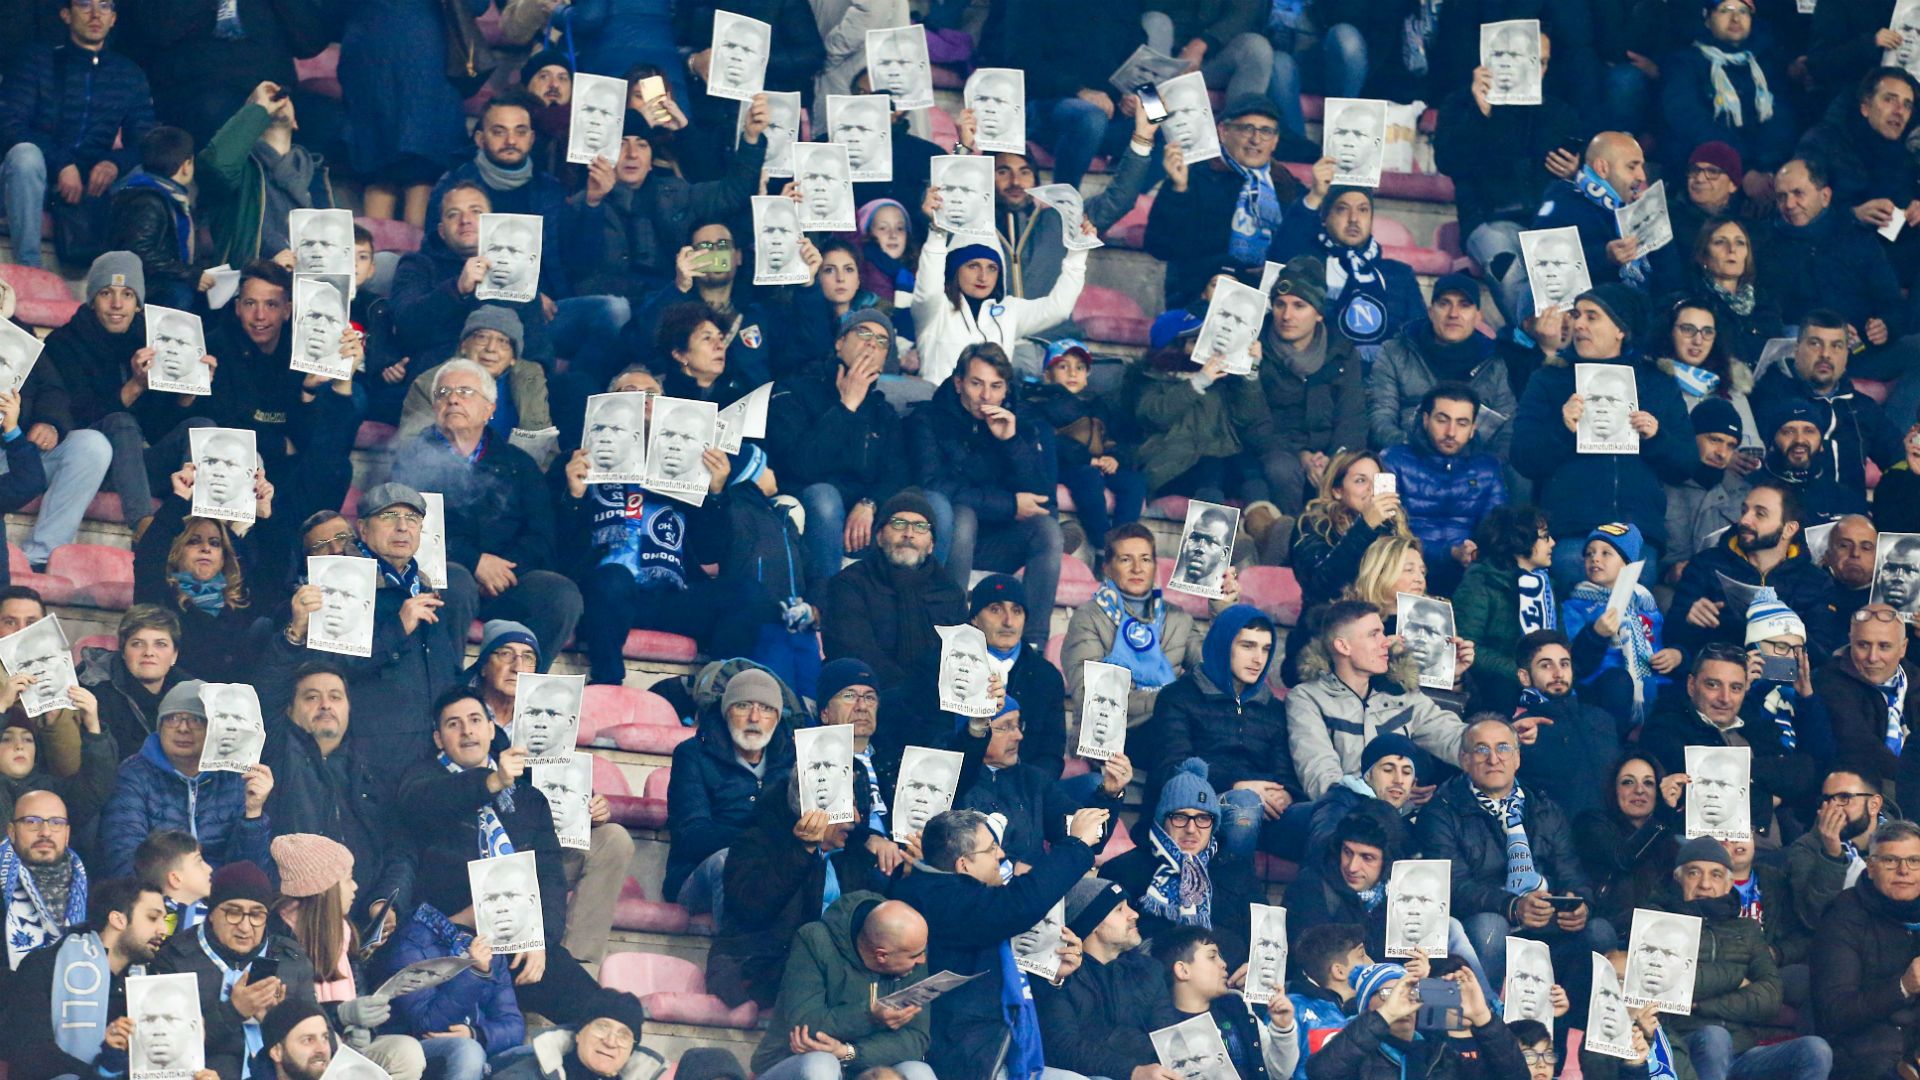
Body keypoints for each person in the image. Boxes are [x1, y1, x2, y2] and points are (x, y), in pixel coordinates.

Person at [396, 689, 622, 1027]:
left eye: (475, 721)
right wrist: (491, 782)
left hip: (517, 939)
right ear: (438, 739)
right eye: (454, 725)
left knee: (606, 1017)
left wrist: (539, 940)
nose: (467, 731)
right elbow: (428, 803)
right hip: (448, 943)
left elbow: (548, 875)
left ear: (491, 730)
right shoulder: (421, 782)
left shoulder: (529, 797)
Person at [890, 805, 1107, 1080]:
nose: (1001, 854)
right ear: (963, 865)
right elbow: (1019, 904)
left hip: (1003, 1051)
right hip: (965, 1061)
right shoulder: (938, 900)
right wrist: (1076, 846)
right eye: (991, 848)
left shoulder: (952, 893)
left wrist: (1051, 972)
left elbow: (1006, 977)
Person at [390, 359, 583, 661]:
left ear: (489, 409)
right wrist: (476, 562)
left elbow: (542, 535)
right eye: (443, 392)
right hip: (446, 576)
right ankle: (448, 689)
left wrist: (503, 571)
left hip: (509, 579)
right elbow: (407, 528)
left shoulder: (519, 463)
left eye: (465, 391)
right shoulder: (413, 459)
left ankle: (521, 689)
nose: (452, 398)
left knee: (561, 595)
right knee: (454, 581)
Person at [1511, 287, 1698, 586]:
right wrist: (1562, 429)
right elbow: (1522, 456)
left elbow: (1686, 464)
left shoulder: (1657, 383)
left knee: (1628, 627)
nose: (1579, 324)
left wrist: (1656, 437)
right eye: (1576, 315)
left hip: (1636, 534)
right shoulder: (1548, 379)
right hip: (1572, 532)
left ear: (1621, 329)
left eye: (1592, 316)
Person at [906, 344, 1061, 644]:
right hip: (949, 539)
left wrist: (1011, 442)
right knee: (963, 514)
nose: (986, 396)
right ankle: (950, 629)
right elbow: (934, 485)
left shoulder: (1023, 425)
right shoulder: (927, 419)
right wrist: (1009, 505)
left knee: (1048, 530)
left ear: (1006, 389)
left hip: (997, 542)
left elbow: (1043, 499)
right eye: (977, 384)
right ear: (959, 383)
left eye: (996, 386)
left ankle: (1033, 643)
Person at [1433, 31, 1583, 324]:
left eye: (1542, 62)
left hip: (1547, 224)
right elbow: (1449, 162)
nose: (1536, 69)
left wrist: (1574, 171)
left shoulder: (1559, 112)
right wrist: (1481, 112)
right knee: (1508, 268)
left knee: (1570, 287)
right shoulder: (1462, 104)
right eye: (1530, 60)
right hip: (1488, 219)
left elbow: (1578, 174)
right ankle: (1535, 342)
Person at [1658, 836, 1833, 1079]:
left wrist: (1700, 1004)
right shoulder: (1660, 923)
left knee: (1815, 1050)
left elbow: (1770, 997)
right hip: (1686, 1048)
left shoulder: (1746, 930)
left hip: (1741, 1052)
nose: (1705, 884)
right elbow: (1667, 985)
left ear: (1729, 884)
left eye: (1716, 875)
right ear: (1679, 879)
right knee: (1714, 1037)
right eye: (1694, 873)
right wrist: (1738, 979)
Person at [0, 0, 157, 268]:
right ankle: (28, 266)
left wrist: (114, 163)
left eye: (105, 6)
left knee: (145, 176)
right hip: (40, 170)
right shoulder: (38, 59)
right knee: (24, 156)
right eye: (85, 5)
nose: (95, 14)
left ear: (114, 18)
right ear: (66, 15)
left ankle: (123, 277)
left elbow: (144, 140)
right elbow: (11, 124)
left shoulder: (128, 74)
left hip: (95, 178)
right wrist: (61, 163)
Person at [261, 663, 414, 933]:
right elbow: (270, 688)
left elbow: (400, 849)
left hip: (361, 930)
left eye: (335, 697)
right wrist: (293, 637)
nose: (325, 705)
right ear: (288, 710)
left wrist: (387, 900)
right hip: (293, 929)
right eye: (311, 697)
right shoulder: (277, 758)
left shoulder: (373, 773)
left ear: (348, 708)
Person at [266, 833, 433, 1078]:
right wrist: (341, 1016)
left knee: (406, 1051)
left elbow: (358, 999)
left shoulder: (343, 931)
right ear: (324, 891)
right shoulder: (276, 941)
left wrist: (364, 1028)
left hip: (346, 1046)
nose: (355, 887)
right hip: (306, 1058)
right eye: (348, 879)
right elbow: (283, 1017)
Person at [1146, 606, 1308, 855]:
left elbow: (1284, 772)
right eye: (1247, 646)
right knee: (1244, 805)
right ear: (1223, 645)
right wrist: (1239, 785)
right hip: (1197, 810)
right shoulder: (1178, 697)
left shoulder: (1272, 707)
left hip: (1266, 812)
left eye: (1265, 649)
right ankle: (1234, 889)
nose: (1258, 659)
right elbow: (1173, 768)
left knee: (1328, 816)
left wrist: (1286, 794)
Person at [1062, 522, 1234, 737]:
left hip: (1170, 725)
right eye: (1126, 560)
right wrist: (1170, 700)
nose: (1137, 568)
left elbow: (1215, 670)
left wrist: (1223, 610)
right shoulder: (1088, 617)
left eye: (1145, 559)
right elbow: (1089, 694)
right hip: (1109, 734)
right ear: (1106, 568)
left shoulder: (1176, 617)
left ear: (1154, 566)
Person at [149, 861, 318, 1078]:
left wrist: (278, 1021)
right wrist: (234, 1011)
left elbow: (320, 1042)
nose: (245, 927)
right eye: (233, 913)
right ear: (211, 914)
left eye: (256, 915)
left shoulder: (288, 958)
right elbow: (157, 1048)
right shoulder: (174, 959)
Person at [1288, 599, 1468, 800]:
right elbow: (1320, 775)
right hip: (1342, 817)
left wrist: (1501, 740)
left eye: (1382, 633)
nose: (1386, 642)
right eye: (1374, 634)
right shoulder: (1307, 698)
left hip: (1402, 816)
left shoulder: (1401, 693)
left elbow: (1454, 738)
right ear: (1343, 646)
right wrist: (1387, 796)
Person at [97, 679, 273, 878]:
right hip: (155, 898)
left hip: (221, 901)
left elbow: (250, 872)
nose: (182, 728)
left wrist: (253, 812)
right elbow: (123, 857)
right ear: (159, 726)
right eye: (172, 719)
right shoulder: (134, 774)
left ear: (215, 729)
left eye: (196, 720)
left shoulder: (236, 778)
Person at [1144, 96, 1304, 309]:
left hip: (1269, 302)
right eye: (1247, 129)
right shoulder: (1191, 177)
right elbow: (1160, 247)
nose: (1256, 140)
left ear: (1275, 141)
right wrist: (1178, 191)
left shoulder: (1286, 185)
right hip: (1201, 297)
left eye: (1266, 131)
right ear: (1223, 132)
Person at [3, 877, 169, 1078]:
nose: (164, 930)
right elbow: (30, 1051)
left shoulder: (150, 979)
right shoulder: (45, 965)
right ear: (118, 920)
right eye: (153, 918)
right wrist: (98, 1072)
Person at [1762, 159, 1910, 384]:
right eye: (1781, 197)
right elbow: (1767, 313)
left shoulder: (1857, 239)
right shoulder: (1767, 247)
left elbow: (1893, 304)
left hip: (1864, 353)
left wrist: (1886, 326)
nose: (1789, 204)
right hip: (1803, 357)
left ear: (1825, 197)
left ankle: (1888, 419)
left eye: (1798, 193)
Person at [1641, 641, 1812, 833]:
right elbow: (1702, 800)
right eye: (1713, 685)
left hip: (1774, 853)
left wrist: (1739, 775)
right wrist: (1769, 797)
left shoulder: (1752, 726)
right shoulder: (1666, 728)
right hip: (1704, 853)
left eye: (1736, 688)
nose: (1725, 698)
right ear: (1691, 685)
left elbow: (1803, 772)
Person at [1664, 481, 1840, 663]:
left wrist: (1784, 629)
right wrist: (1688, 619)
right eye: (1744, 510)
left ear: (1789, 529)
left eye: (1760, 514)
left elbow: (1821, 653)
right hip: (1720, 680)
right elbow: (1671, 634)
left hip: (1783, 685)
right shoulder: (1706, 563)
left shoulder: (1816, 581)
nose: (1744, 520)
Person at [1096, 758, 1261, 951]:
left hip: (1230, 978)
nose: (1191, 829)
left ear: (1214, 824)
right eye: (1180, 817)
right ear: (1162, 821)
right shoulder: (1123, 870)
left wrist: (1251, 966)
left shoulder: (1237, 870)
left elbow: (1263, 938)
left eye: (1202, 818)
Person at [1253, 257, 1370, 518]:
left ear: (1318, 313)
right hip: (1278, 450)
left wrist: (1333, 459)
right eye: (1280, 305)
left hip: (1330, 451)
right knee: (1281, 469)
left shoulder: (1341, 352)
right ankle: (1289, 544)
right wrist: (1301, 455)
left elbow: (1352, 417)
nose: (1287, 315)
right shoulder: (1257, 349)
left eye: (1299, 306)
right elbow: (1255, 422)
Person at [1809, 817, 1920, 1078]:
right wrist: (1902, 987)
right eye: (1891, 860)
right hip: (1866, 1056)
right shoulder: (1843, 915)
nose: (1904, 870)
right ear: (1870, 867)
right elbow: (1834, 1013)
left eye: (1914, 861)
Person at [1749, 309, 1902, 497]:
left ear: (1846, 354)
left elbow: (1899, 456)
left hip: (1851, 519)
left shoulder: (1862, 407)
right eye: (1815, 344)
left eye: (1836, 346)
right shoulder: (1769, 398)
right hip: (1792, 514)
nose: (1825, 354)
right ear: (1796, 349)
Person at [1378, 382, 1508, 597]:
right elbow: (1387, 533)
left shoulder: (1487, 467)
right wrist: (1449, 553)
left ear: (1473, 428)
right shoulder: (1393, 460)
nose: (1451, 432)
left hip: (1469, 573)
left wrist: (1472, 552)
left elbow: (1496, 530)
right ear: (1425, 419)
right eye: (1442, 420)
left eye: (1462, 423)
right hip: (1404, 569)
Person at [1271, 184, 1424, 363]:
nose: (1354, 219)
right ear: (1325, 218)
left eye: (1363, 210)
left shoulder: (1400, 274)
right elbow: (1279, 252)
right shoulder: (1306, 266)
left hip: (1382, 379)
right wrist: (1315, 196)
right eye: (1342, 209)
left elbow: (1418, 337)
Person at [1302, 959, 1529, 1079]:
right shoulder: (1356, 1057)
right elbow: (1320, 1072)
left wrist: (1483, 1018)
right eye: (1386, 995)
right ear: (1365, 1010)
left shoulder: (1441, 1055)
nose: (1403, 1002)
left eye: (1410, 992)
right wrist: (1387, 1015)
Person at [1368, 274, 1517, 455]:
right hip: (1409, 459)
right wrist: (1420, 450)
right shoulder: (1396, 352)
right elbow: (1381, 418)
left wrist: (1479, 466)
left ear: (1478, 316)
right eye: (1444, 303)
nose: (1453, 314)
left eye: (1464, 305)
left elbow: (1506, 430)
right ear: (1431, 312)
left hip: (1473, 467)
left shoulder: (1496, 362)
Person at [1657, 0, 1796, 179]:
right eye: (1725, 10)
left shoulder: (1766, 62)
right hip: (1711, 169)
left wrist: (1767, 170)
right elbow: (1689, 121)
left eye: (1743, 11)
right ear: (1707, 19)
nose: (1736, 18)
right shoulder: (1684, 64)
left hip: (1765, 171)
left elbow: (1780, 118)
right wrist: (1744, 170)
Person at [1146, 927, 1301, 1079]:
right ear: (1183, 970)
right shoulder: (1158, 1026)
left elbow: (1279, 1073)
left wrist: (1283, 1029)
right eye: (1212, 957)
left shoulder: (1236, 1006)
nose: (1223, 964)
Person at [396, 307, 555, 446]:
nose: (491, 348)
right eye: (482, 337)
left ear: (514, 358)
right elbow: (412, 444)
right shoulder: (430, 383)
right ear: (463, 346)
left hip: (514, 471)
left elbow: (544, 444)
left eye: (503, 342)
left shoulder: (530, 380)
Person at [1451, 505, 1555, 714]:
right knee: (1503, 691)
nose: (1553, 543)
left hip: (1537, 680)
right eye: (1545, 537)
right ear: (1520, 541)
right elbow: (1467, 647)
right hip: (1494, 687)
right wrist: (1520, 674)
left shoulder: (1545, 584)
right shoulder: (1480, 581)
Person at [1813, 605, 1920, 799]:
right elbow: (1860, 746)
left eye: (1884, 646)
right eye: (1863, 645)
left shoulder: (1915, 679)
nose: (1873, 657)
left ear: (1903, 648)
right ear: (1850, 642)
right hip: (1869, 790)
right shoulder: (1830, 682)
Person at [1530, 132, 1652, 296]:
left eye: (1641, 167)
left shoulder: (1640, 206)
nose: (1642, 176)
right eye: (1632, 167)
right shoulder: (1561, 203)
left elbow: (1671, 277)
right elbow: (1544, 272)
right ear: (1602, 168)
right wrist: (1604, 257)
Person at [1287, 450, 1410, 611]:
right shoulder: (1313, 524)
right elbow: (1320, 586)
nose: (1371, 489)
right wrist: (1365, 526)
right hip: (1328, 625)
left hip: (1382, 624)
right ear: (1337, 491)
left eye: (1377, 481)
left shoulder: (1392, 525)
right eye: (1360, 481)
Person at [106, 125, 208, 310]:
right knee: (181, 294)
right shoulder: (148, 200)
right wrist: (188, 274)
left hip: (168, 280)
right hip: (152, 288)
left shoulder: (171, 198)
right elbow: (140, 252)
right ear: (186, 165)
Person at [1, 788, 89, 970]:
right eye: (32, 822)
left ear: (67, 834)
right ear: (11, 831)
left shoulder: (95, 889)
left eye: (56, 823)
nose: (45, 832)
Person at [491, 994, 666, 1080]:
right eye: (602, 1027)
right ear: (579, 1034)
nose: (610, 1042)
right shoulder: (523, 1075)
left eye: (624, 1035)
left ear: (631, 1050)